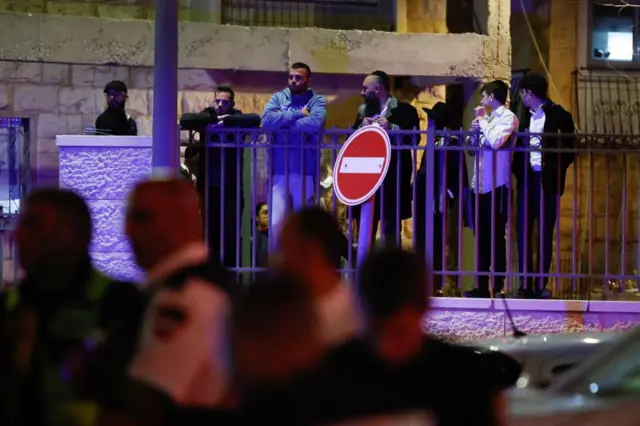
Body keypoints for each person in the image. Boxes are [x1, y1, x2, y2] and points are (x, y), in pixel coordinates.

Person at [99, 179, 234, 426]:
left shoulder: (186, 297)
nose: (128, 231)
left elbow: (148, 403)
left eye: (142, 217)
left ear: (182, 221)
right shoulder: (175, 288)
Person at [0, 188, 131, 426]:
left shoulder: (120, 304)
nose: (18, 234)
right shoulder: (8, 307)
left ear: (73, 234)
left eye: (34, 224)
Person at [513, 74, 576, 299]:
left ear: (529, 93)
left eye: (522, 92)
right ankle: (524, 284)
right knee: (523, 232)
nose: (521, 96)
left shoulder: (560, 116)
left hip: (547, 181)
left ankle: (541, 284)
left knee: (544, 232)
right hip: (527, 179)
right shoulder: (521, 117)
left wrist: (553, 170)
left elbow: (570, 151)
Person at [185, 85, 261, 269]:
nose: (220, 105)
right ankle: (210, 271)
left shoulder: (236, 118)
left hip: (231, 187)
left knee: (231, 232)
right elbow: (185, 119)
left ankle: (230, 271)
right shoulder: (208, 115)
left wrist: (226, 121)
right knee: (210, 231)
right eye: (217, 101)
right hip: (209, 186)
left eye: (224, 102)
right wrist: (213, 118)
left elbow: (255, 119)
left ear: (232, 104)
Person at [261, 62, 327, 243]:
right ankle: (276, 267)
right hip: (279, 171)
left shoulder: (317, 100)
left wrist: (282, 125)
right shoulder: (278, 97)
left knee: (304, 226)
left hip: (305, 171)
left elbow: (314, 123)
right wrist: (298, 114)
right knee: (275, 223)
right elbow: (266, 121)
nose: (293, 80)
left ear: (308, 80)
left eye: (298, 77)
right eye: (291, 77)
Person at [464, 80, 518, 299]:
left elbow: (496, 141)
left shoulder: (508, 117)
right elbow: (470, 147)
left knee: (496, 235)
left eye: (484, 95)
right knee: (480, 237)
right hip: (480, 185)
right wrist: (472, 132)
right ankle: (480, 284)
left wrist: (483, 122)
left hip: (498, 185)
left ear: (493, 96)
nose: (481, 100)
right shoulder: (485, 120)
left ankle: (497, 285)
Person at [278, 206, 362, 345]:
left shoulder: (347, 312)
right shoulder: (288, 305)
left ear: (311, 250)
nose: (282, 261)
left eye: (287, 249)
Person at [354, 70, 420, 246]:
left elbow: (414, 139)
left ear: (378, 89)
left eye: (364, 89)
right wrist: (361, 127)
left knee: (391, 231)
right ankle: (363, 268)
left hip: (393, 178)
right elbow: (349, 141)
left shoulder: (406, 111)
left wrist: (393, 128)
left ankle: (391, 270)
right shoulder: (362, 112)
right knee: (365, 230)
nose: (361, 93)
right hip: (367, 179)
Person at [414, 101, 468, 295]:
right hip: (424, 195)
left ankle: (436, 283)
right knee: (422, 238)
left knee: (439, 239)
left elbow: (457, 170)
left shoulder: (452, 140)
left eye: (432, 118)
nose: (429, 122)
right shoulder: (433, 139)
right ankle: (423, 281)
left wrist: (448, 192)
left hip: (440, 197)